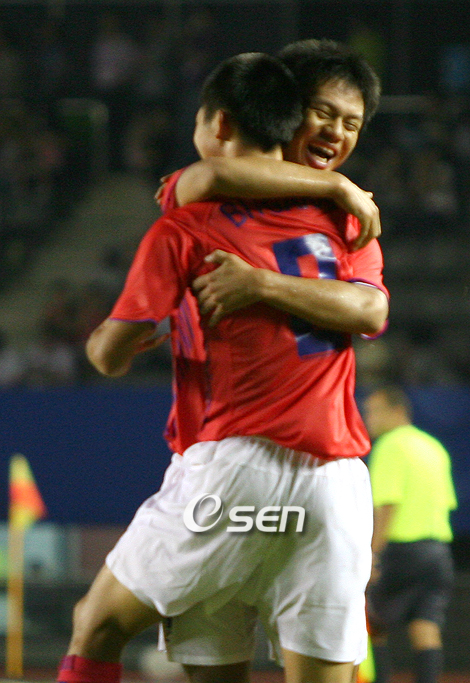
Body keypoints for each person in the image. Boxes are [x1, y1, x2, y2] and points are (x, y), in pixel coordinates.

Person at [57, 52, 388, 683]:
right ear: (287, 114)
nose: (336, 131)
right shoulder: (348, 218)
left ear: (219, 122)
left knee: (96, 624)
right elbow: (370, 309)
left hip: (234, 470)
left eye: (351, 123)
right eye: (323, 113)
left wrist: (257, 285)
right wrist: (339, 187)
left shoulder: (188, 221)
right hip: (336, 487)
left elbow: (107, 353)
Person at [363, 385, 457, 683]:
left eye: (374, 411)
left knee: (371, 623)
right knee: (426, 625)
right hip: (438, 552)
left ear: (398, 411)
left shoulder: (389, 445)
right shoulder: (433, 447)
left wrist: (373, 554)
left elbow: (387, 505)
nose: (368, 418)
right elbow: (446, 502)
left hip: (399, 550)